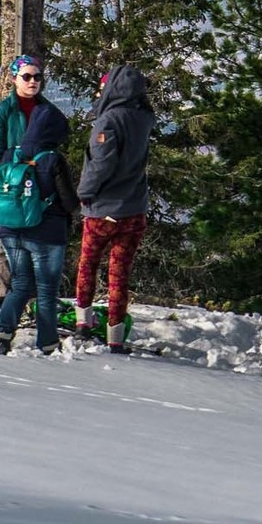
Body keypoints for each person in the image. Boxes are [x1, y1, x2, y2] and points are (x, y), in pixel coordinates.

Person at [0, 57, 79, 353]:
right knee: (33, 283)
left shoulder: (47, 112)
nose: (33, 82)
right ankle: (45, 343)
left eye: (38, 77)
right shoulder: (3, 113)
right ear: (14, 79)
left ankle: (4, 335)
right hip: (13, 197)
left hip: (32, 197)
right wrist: (2, 183)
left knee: (22, 281)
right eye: (26, 76)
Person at [73, 62, 156, 352]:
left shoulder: (108, 122)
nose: (99, 91)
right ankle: (116, 335)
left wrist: (83, 193)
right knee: (119, 274)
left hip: (103, 210)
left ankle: (83, 322)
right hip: (134, 209)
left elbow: (101, 165)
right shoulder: (144, 118)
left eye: (102, 86)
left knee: (88, 265)